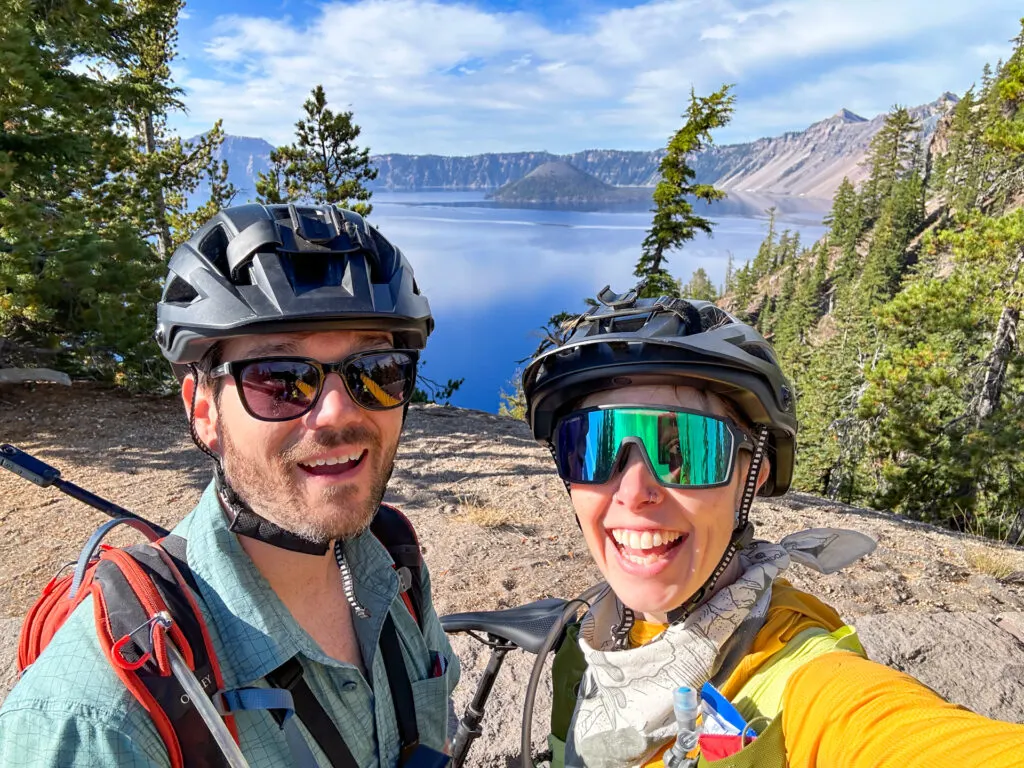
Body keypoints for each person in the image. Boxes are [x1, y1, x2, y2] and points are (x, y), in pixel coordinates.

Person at [0, 204, 459, 766]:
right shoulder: (102, 716)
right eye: (281, 379)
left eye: (378, 371)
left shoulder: (393, 563)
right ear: (204, 411)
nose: (339, 413)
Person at [521, 286, 1024, 768]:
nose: (631, 492)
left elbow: (887, 732)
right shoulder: (595, 631)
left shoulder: (804, 678)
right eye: (590, 447)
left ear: (753, 474)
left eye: (686, 450)